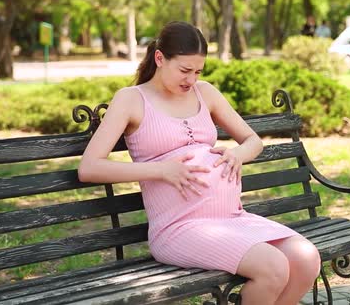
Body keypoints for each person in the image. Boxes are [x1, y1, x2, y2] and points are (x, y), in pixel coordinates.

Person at [78, 21, 321, 305]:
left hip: (231, 219)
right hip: (179, 228)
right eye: (184, 70)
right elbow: (90, 167)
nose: (191, 79)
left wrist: (237, 154)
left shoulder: (205, 93)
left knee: (306, 258)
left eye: (198, 71)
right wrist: (161, 170)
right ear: (160, 58)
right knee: (273, 267)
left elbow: (253, 141)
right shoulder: (131, 100)